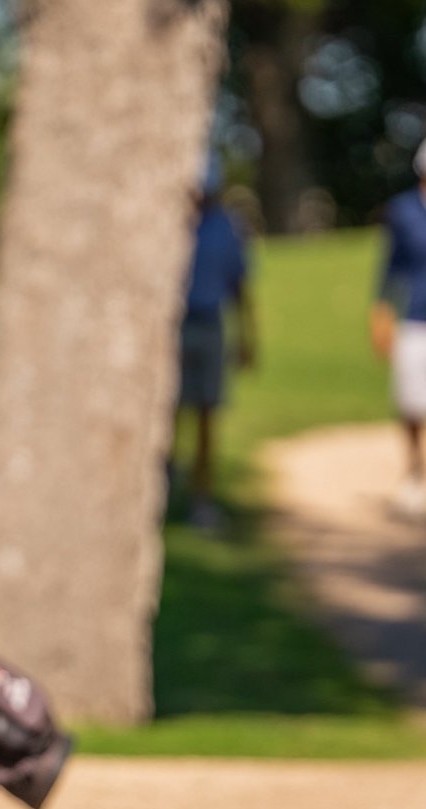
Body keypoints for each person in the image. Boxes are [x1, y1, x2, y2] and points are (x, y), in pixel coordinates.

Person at [175, 155, 256, 532]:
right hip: (172, 328)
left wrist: (248, 336)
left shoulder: (228, 226)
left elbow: (240, 286)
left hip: (210, 325)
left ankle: (201, 500)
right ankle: (163, 490)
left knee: (207, 415)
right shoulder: (171, 223)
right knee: (167, 416)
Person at [370, 138, 426, 520]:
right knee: (412, 402)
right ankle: (413, 471)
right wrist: (380, 314)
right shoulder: (403, 211)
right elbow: (389, 267)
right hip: (414, 317)